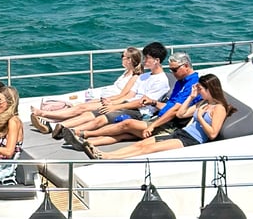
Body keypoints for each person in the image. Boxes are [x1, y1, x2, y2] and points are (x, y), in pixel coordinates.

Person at [66, 49, 199, 150]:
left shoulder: (192, 84)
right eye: (171, 69)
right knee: (123, 134)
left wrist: (153, 125)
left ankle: (83, 134)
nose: (173, 73)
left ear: (186, 66)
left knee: (126, 125)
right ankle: (85, 143)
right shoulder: (180, 81)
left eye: (175, 70)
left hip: (167, 123)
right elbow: (169, 105)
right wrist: (154, 102)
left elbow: (175, 110)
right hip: (159, 117)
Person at [77, 75, 235, 159]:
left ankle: (109, 158)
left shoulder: (219, 108)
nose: (198, 91)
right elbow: (181, 114)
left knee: (148, 149)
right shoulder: (202, 103)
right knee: (142, 144)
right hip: (181, 133)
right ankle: (105, 155)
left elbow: (213, 134)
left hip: (191, 140)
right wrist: (191, 97)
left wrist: (200, 117)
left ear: (210, 89)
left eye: (200, 89)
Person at [56, 41, 171, 143]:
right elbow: (130, 95)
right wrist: (113, 103)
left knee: (102, 118)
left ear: (157, 60)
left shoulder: (161, 81)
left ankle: (75, 132)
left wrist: (114, 107)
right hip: (127, 104)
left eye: (147, 58)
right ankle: (62, 128)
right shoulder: (144, 76)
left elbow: (141, 103)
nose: (144, 60)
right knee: (93, 112)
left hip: (139, 112)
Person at [29, 47, 142, 134]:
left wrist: (107, 101)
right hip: (106, 99)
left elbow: (123, 95)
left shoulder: (134, 76)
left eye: (123, 56)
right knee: (81, 106)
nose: (121, 58)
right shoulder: (126, 73)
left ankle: (45, 116)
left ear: (130, 60)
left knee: (81, 108)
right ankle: (50, 120)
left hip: (111, 102)